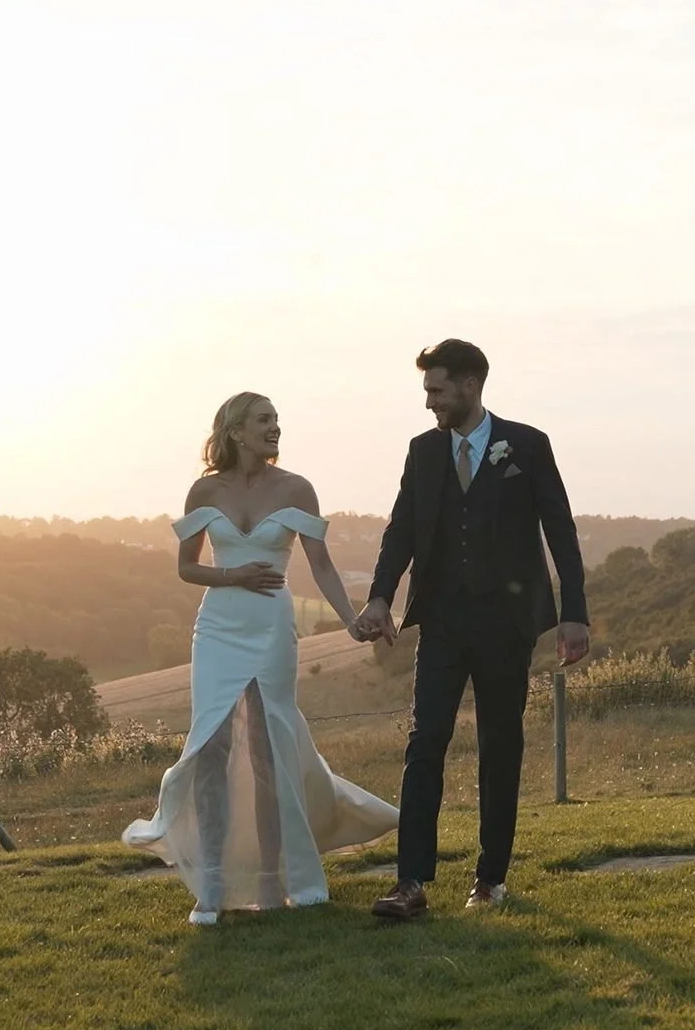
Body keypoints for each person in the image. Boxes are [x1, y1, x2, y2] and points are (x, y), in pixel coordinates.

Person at [123, 392, 400, 925]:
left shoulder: (297, 488)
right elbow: (186, 568)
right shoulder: (204, 490)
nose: (276, 427)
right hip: (217, 629)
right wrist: (234, 575)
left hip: (271, 628)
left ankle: (277, 881)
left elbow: (320, 565)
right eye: (264, 419)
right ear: (236, 431)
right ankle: (212, 885)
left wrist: (348, 619)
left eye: (276, 420)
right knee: (210, 748)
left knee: (269, 746)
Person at [353, 340, 590, 921]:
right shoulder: (423, 452)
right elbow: (401, 529)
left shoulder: (527, 445)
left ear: (470, 385)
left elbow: (560, 530)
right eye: (427, 392)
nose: (430, 402)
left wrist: (574, 613)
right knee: (424, 743)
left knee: (499, 746)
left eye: (437, 390)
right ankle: (410, 882)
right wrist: (381, 596)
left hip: (507, 624)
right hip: (442, 622)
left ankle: (490, 880)